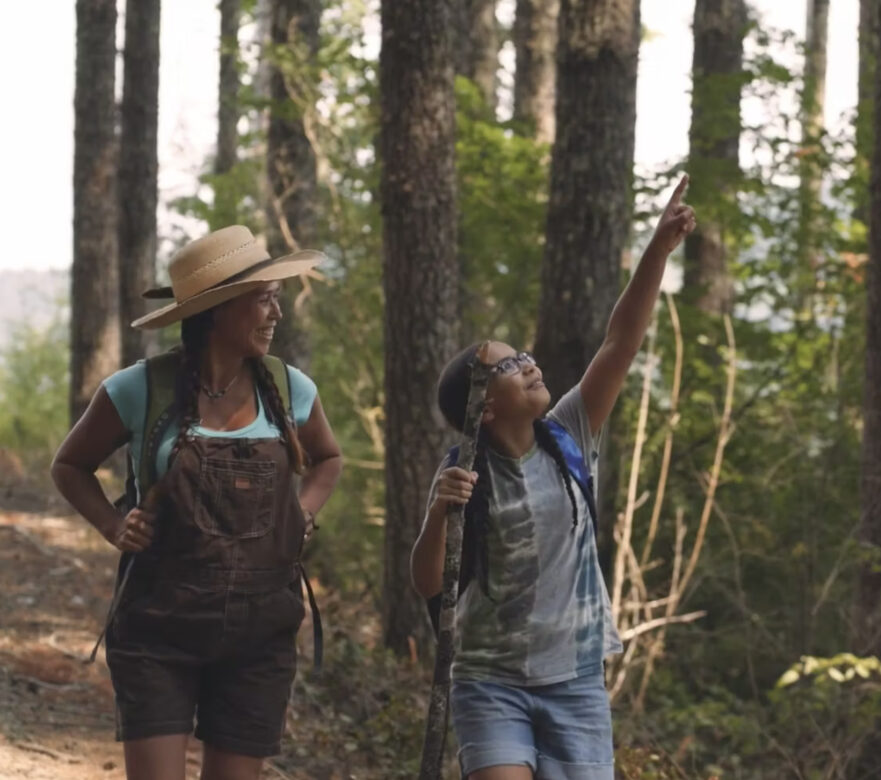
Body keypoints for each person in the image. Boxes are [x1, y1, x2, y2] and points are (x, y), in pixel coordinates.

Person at [412, 176, 697, 780]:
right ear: (484, 408)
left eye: (524, 355)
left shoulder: (570, 433)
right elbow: (428, 581)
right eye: (511, 365)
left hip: (575, 680)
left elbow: (620, 342)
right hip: (489, 681)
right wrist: (441, 509)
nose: (529, 363)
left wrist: (657, 251)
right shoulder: (463, 471)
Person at [51, 225, 344, 780]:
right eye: (263, 298)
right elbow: (69, 466)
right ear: (217, 309)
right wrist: (113, 525)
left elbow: (328, 459)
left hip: (261, 636)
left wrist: (302, 511)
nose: (275, 313)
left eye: (275, 297)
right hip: (157, 626)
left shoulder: (290, 389)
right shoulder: (139, 388)